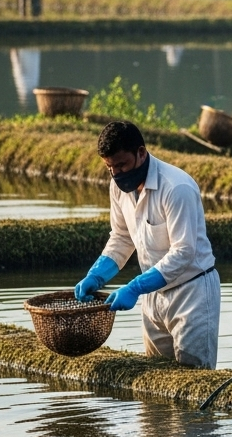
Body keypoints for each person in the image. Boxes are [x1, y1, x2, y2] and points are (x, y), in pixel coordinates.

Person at [74, 120, 220, 369]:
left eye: (121, 164)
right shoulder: (118, 187)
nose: (116, 173)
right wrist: (97, 275)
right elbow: (121, 236)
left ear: (141, 152)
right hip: (152, 295)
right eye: (110, 167)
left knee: (194, 377)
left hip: (191, 292)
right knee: (154, 375)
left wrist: (134, 287)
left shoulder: (176, 188)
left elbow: (184, 251)